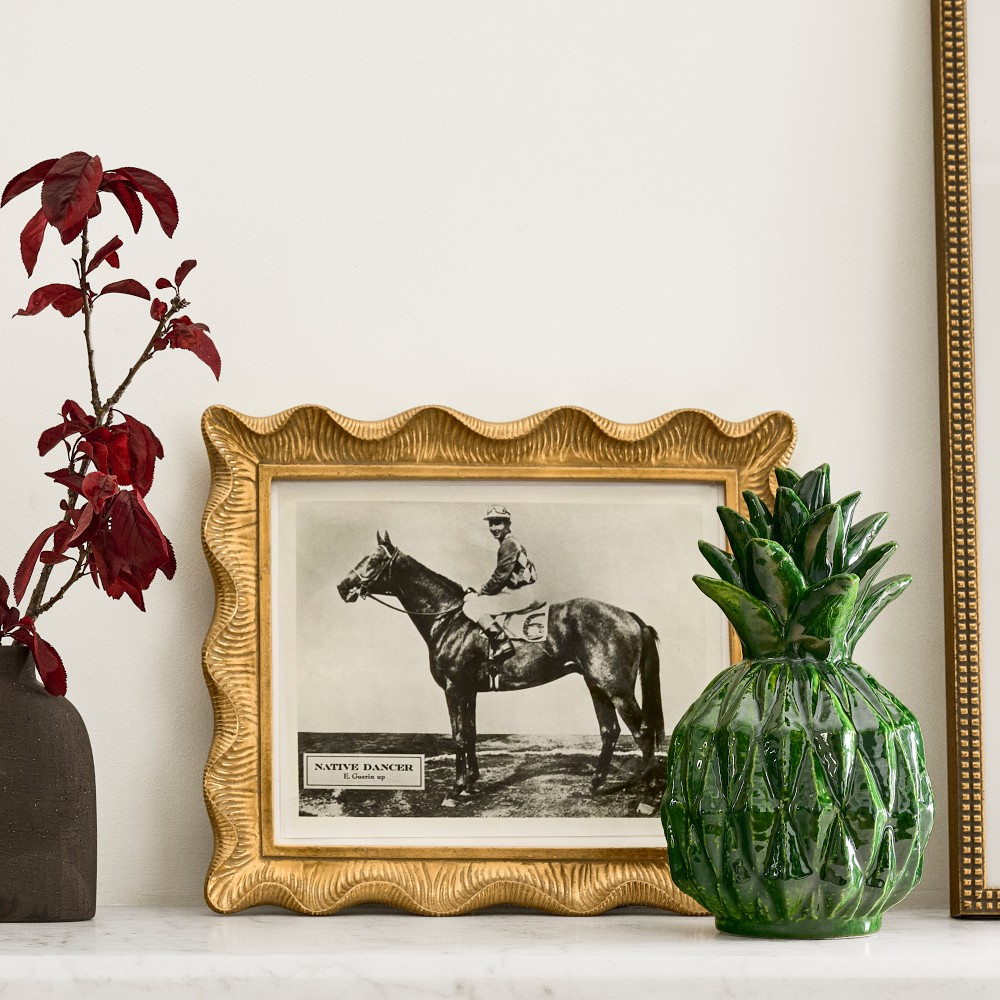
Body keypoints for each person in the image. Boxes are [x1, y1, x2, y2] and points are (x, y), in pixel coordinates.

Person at [462, 505, 537, 668]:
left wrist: (479, 593)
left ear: (508, 524)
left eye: (498, 523)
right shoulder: (510, 542)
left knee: (470, 606)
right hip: (517, 591)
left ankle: (503, 643)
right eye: (491, 524)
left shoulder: (509, 544)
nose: (494, 528)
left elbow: (498, 579)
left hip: (518, 595)